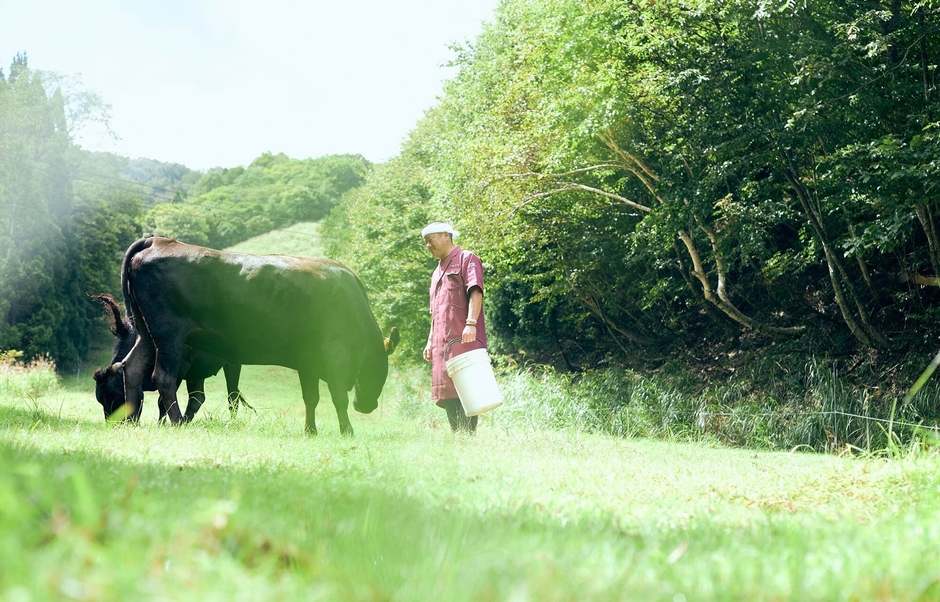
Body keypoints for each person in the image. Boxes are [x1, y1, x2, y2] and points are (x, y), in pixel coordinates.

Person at [422, 221, 487, 432]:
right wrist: (430, 341)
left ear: (445, 236)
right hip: (442, 344)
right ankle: (457, 435)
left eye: (430, 241)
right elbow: (435, 312)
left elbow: (475, 292)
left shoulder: (467, 259)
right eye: (425, 243)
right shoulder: (436, 272)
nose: (428, 246)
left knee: (467, 389)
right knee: (446, 391)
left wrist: (471, 324)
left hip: (464, 338)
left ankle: (469, 435)